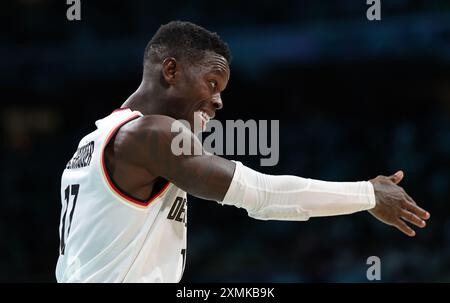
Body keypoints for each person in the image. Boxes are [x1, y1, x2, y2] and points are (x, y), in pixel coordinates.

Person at [56, 21, 430, 283]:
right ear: (170, 70)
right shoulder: (152, 134)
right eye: (212, 83)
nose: (218, 101)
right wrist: (367, 194)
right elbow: (262, 196)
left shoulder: (94, 139)